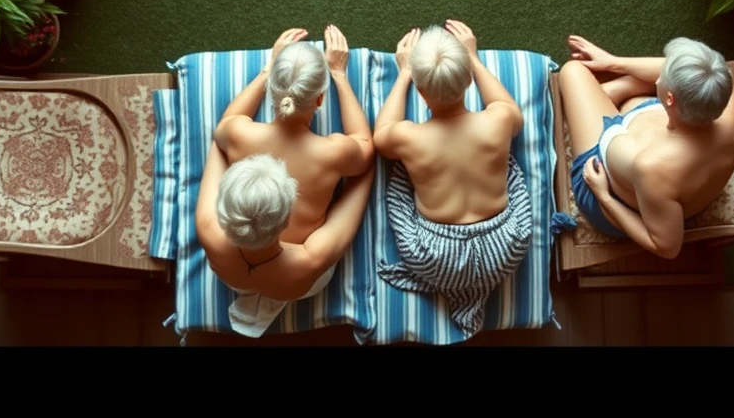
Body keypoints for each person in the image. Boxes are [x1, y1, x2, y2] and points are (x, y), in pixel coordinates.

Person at [373, 20, 532, 336]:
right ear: (470, 81)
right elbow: (505, 104)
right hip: (505, 251)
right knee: (506, 157)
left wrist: (405, 72)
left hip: (438, 260)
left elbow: (380, 135)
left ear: (420, 91)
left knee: (402, 172)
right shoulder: (500, 119)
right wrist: (472, 57)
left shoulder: (407, 136)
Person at [561, 33, 734, 260]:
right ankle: (615, 95)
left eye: (662, 78)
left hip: (611, 187)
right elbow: (698, 74)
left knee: (572, 72)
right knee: (676, 82)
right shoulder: (728, 104)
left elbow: (667, 247)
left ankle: (610, 96)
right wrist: (613, 62)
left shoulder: (653, 167)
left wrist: (603, 195)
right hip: (669, 167)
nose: (658, 77)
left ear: (669, 99)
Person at [213, 25, 374, 244]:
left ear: (271, 89)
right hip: (303, 261)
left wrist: (268, 70)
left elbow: (228, 121)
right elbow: (364, 144)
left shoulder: (238, 134)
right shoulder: (333, 151)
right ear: (319, 99)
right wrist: (339, 74)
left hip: (247, 248)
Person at [196, 149, 374, 337]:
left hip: (234, 279)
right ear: (288, 221)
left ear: (221, 208)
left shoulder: (207, 228)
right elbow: (361, 178)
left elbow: (218, 146)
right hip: (296, 281)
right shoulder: (310, 259)